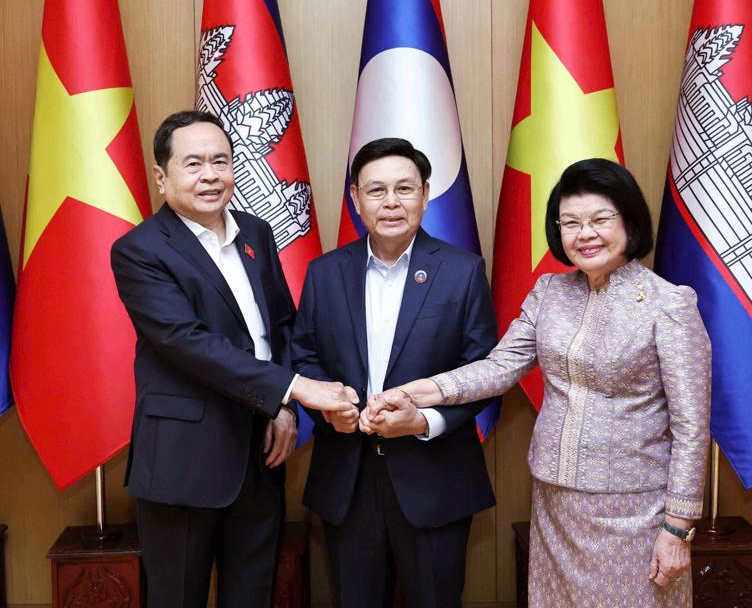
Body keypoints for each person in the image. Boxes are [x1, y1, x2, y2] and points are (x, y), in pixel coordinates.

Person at [368, 158, 711, 607]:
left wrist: (677, 529)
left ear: (629, 220)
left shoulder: (670, 305)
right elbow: (498, 368)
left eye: (599, 219)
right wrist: (409, 392)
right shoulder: (550, 293)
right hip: (556, 504)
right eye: (570, 222)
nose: (585, 233)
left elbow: (692, 428)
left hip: (637, 512)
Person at [110, 110, 358, 608]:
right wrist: (295, 389)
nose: (210, 175)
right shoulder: (139, 251)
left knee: (253, 593)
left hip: (261, 453)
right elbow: (186, 342)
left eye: (221, 162)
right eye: (193, 163)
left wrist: (283, 409)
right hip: (185, 460)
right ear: (161, 177)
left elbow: (281, 327)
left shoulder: (255, 232)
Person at [291, 138, 497, 608]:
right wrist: (328, 408)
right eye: (377, 189)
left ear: (425, 194)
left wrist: (426, 421)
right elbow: (302, 355)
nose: (391, 202)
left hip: (436, 476)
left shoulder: (462, 272)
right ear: (355, 198)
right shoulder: (324, 273)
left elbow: (483, 368)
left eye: (404, 189)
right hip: (348, 475)